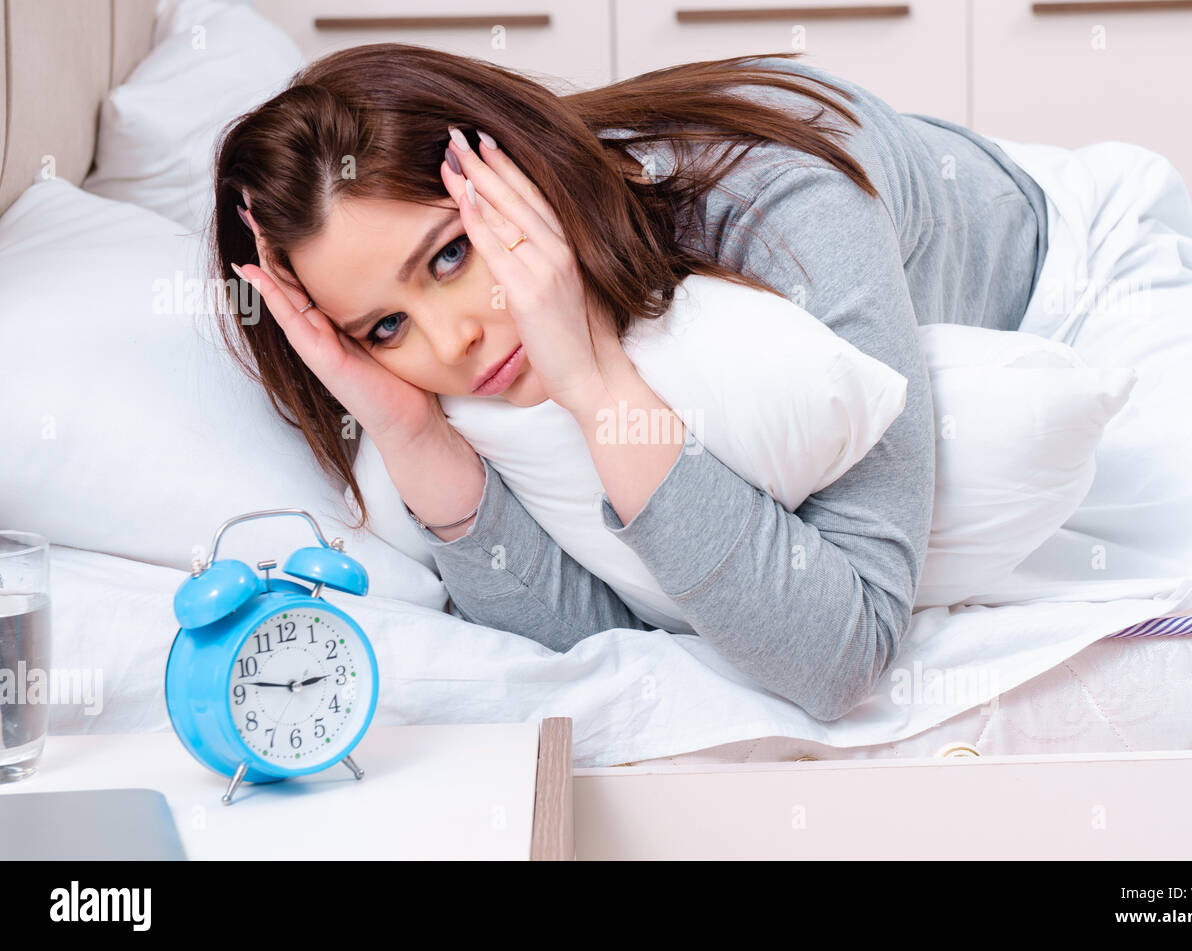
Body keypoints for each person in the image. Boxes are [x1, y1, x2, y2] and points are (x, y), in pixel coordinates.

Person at [212, 44, 1047, 721]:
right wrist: (414, 437)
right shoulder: (451, 375)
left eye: (449, 255)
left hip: (1032, 228)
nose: (454, 339)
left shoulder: (790, 210)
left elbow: (841, 656)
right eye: (384, 327)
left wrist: (600, 386)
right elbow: (613, 632)